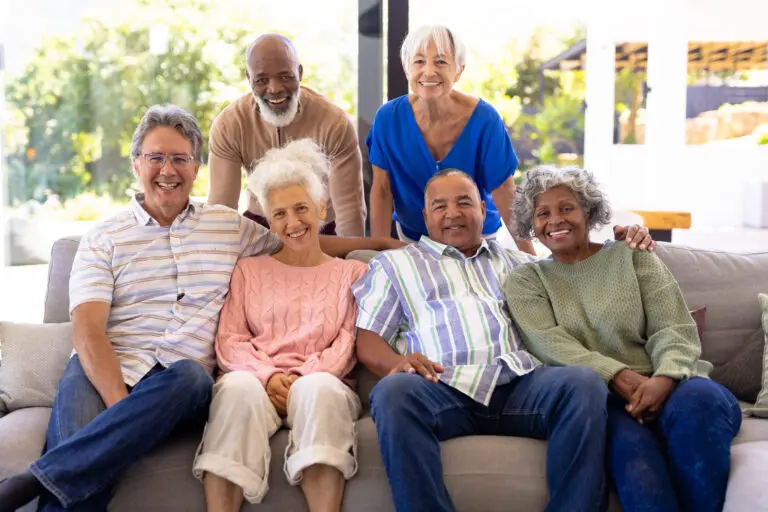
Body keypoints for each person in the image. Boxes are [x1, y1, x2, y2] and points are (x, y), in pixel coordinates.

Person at [0, 105, 397, 512]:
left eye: (180, 158)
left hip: (180, 383)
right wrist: (127, 416)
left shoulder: (228, 227)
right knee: (87, 473)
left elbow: (298, 238)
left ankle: (28, 482)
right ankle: (39, 486)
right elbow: (88, 333)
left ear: (196, 167)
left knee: (190, 376)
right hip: (105, 369)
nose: (167, 169)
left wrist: (383, 246)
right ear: (137, 164)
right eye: (155, 157)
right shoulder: (103, 238)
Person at [352, 168, 657, 512]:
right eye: (439, 206)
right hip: (441, 385)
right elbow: (368, 340)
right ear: (425, 216)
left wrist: (623, 244)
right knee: (392, 391)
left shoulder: (523, 264)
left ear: (484, 209)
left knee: (582, 382)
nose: (452, 213)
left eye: (464, 202)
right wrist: (397, 363)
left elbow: (583, 275)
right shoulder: (394, 265)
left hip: (521, 385)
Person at [503, 166, 742, 512]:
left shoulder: (631, 254)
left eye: (567, 208)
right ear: (531, 224)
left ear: (588, 210)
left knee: (700, 404)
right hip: (608, 402)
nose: (556, 220)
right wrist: (621, 379)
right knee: (636, 465)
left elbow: (672, 326)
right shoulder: (527, 280)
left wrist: (663, 378)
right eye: (543, 213)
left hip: (677, 383)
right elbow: (550, 343)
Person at [193, 139, 367, 512]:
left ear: (322, 207)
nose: (293, 223)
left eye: (301, 208)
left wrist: (302, 380)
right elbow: (230, 340)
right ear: (268, 220)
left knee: (318, 389)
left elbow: (347, 341)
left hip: (324, 382)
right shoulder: (249, 269)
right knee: (235, 388)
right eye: (280, 214)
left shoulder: (353, 274)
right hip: (256, 382)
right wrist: (269, 376)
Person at [367, 25, 534, 254]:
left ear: (459, 70)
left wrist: (529, 256)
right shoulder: (387, 119)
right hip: (414, 238)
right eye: (419, 62)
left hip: (477, 237)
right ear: (406, 68)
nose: (429, 71)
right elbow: (382, 190)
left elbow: (504, 191)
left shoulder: (485, 119)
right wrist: (379, 251)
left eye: (441, 62)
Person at [207, 34, 366, 237]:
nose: (275, 89)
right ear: (249, 78)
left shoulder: (335, 122)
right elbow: (222, 212)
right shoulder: (229, 124)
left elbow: (349, 211)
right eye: (262, 80)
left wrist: (351, 262)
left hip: (323, 227)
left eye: (285, 77)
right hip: (262, 225)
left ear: (299, 73)